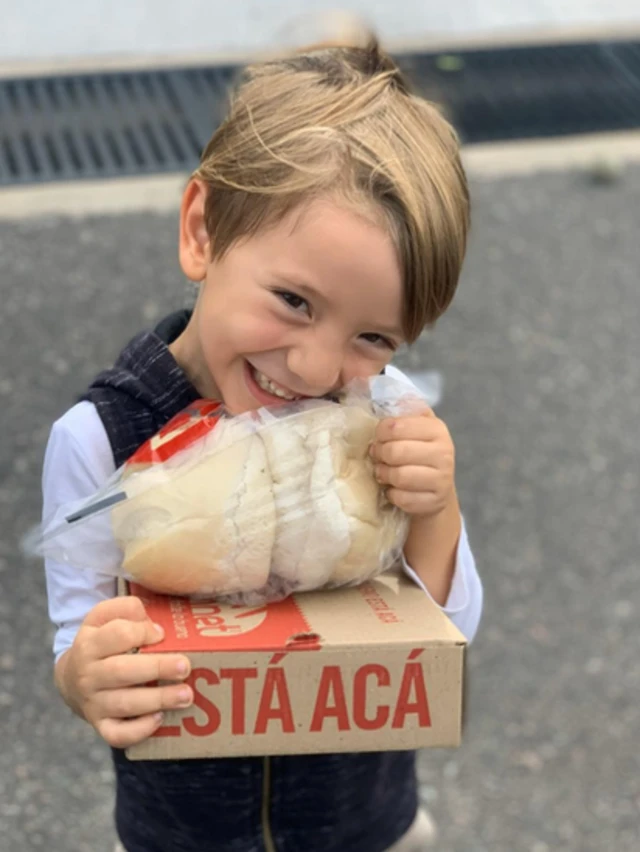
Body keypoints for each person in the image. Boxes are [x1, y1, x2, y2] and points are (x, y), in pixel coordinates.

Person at [42, 33, 483, 852]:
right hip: (181, 832)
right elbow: (76, 630)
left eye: (376, 337)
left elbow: (449, 632)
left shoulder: (387, 417)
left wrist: (437, 508)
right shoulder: (103, 438)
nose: (317, 367)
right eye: (293, 301)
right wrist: (84, 675)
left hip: (364, 824)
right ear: (204, 230)